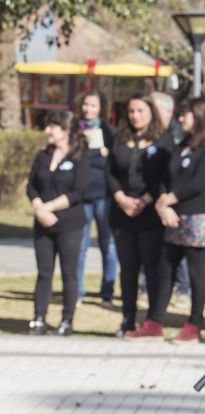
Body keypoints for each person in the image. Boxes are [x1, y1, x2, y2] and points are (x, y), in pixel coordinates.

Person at [135, 98, 205, 342]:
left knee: (196, 273)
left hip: (199, 218)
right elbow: (167, 176)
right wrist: (163, 202)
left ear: (200, 116)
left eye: (186, 114)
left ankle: (194, 324)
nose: (180, 119)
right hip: (173, 217)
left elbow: (200, 182)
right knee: (165, 269)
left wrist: (167, 200)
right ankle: (155, 321)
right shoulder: (181, 144)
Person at [106, 94, 171, 337]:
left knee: (152, 268)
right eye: (131, 111)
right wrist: (120, 197)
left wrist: (145, 200)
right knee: (128, 269)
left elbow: (165, 176)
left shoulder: (163, 140)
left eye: (141, 111)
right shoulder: (119, 138)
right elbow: (110, 172)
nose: (135, 116)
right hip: (123, 213)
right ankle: (128, 319)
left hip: (150, 214)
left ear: (151, 112)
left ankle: (153, 321)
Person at [27, 111, 89, 336]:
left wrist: (49, 207)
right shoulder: (43, 156)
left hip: (69, 223)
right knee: (44, 272)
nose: (47, 131)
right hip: (42, 223)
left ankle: (66, 320)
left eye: (51, 127)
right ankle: (39, 317)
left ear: (65, 130)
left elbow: (79, 192)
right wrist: (38, 208)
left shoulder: (79, 157)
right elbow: (31, 186)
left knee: (68, 272)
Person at [73, 90, 118, 307]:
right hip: (82, 196)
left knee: (107, 244)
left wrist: (100, 155)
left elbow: (112, 161)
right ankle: (78, 292)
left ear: (101, 108)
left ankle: (107, 292)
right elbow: (76, 157)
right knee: (80, 246)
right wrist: (98, 154)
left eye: (93, 105)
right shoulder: (75, 130)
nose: (88, 109)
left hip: (104, 195)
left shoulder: (109, 131)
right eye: (85, 105)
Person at [151, 90, 190, 307]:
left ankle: (182, 289)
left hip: (175, 204)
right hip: (155, 201)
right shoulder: (151, 134)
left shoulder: (178, 135)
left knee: (178, 252)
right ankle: (148, 288)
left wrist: (167, 200)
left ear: (167, 110)